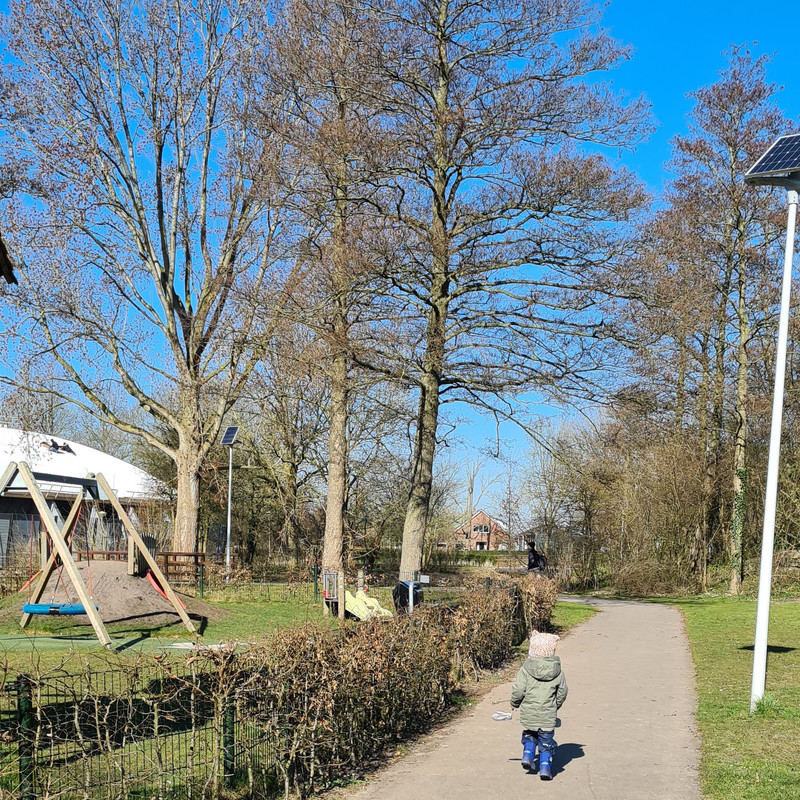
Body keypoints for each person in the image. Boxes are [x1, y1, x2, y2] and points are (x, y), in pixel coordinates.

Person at [509, 631, 568, 780]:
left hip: (530, 713)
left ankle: (528, 754)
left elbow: (519, 690)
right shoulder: (557, 671)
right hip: (548, 715)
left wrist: (514, 703)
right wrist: (555, 706)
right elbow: (562, 692)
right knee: (546, 742)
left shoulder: (525, 669)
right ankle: (545, 768)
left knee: (529, 735)